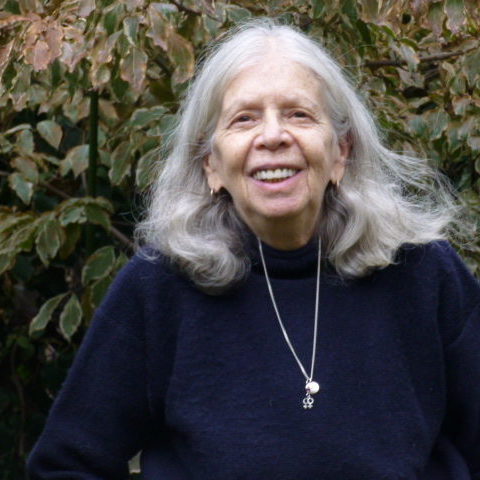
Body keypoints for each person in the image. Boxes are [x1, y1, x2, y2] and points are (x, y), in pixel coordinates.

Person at [27, 19, 480, 480]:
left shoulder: (423, 271)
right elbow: (66, 465)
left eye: (299, 114)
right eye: (244, 119)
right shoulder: (158, 286)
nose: (272, 136)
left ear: (341, 151)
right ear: (211, 166)